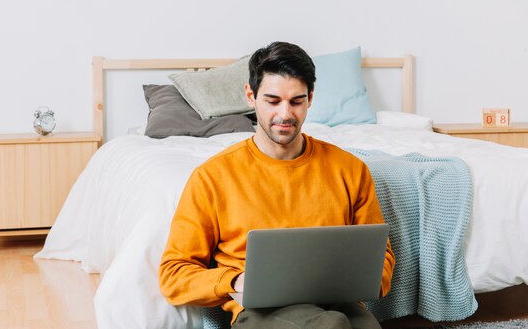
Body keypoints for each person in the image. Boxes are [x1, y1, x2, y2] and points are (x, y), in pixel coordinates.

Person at [159, 41, 395, 329]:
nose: (285, 115)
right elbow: (174, 275)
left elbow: (381, 257)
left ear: (310, 98)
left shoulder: (350, 169)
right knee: (333, 325)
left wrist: (363, 280)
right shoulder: (212, 177)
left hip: (340, 303)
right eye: (272, 101)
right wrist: (234, 280)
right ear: (250, 95)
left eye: (296, 101)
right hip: (261, 313)